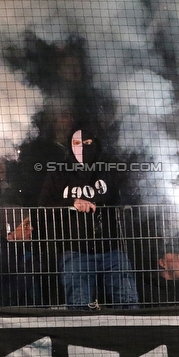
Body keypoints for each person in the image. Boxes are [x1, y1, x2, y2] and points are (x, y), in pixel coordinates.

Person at [39, 126, 138, 309]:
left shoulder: (109, 169)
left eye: (87, 143)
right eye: (76, 143)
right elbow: (43, 208)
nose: (82, 148)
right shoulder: (58, 173)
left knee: (127, 301)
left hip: (111, 249)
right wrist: (71, 203)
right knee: (79, 305)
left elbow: (130, 195)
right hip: (75, 251)